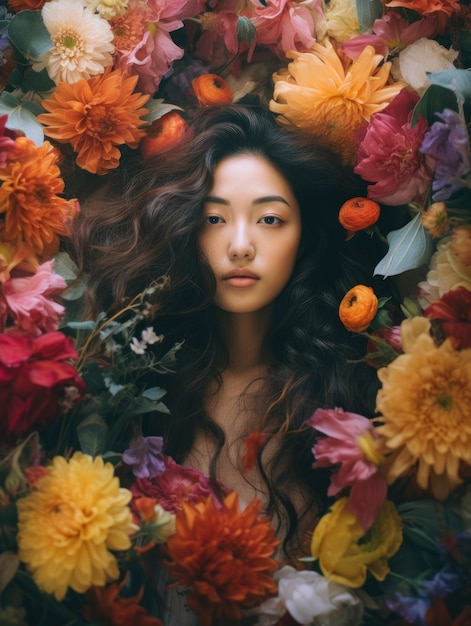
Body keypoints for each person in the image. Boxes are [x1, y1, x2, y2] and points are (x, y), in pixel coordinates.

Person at [71, 102, 386, 622]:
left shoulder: (350, 393)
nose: (241, 246)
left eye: (269, 219)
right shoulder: (137, 391)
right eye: (215, 219)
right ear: (188, 231)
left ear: (303, 235)